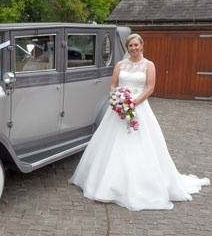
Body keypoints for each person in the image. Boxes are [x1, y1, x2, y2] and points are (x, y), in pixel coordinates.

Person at [70, 33, 210, 211]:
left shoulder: (149, 65)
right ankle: (106, 183)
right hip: (118, 111)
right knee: (111, 144)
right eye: (130, 46)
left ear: (142, 45)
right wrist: (118, 99)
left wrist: (133, 103)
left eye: (136, 45)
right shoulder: (120, 65)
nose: (133, 48)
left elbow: (150, 87)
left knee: (141, 143)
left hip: (140, 107)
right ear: (127, 48)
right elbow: (113, 85)